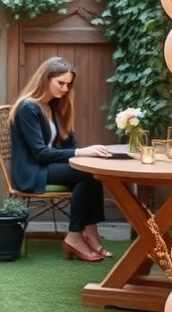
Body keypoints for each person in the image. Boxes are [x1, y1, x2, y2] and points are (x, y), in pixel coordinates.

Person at [9, 55, 112, 262]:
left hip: (46, 166)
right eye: (61, 83)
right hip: (32, 171)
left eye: (69, 84)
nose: (65, 89)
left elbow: (68, 144)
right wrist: (81, 153)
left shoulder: (53, 106)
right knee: (86, 175)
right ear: (45, 79)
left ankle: (89, 232)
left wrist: (88, 156)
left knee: (94, 172)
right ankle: (75, 235)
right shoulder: (27, 108)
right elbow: (40, 153)